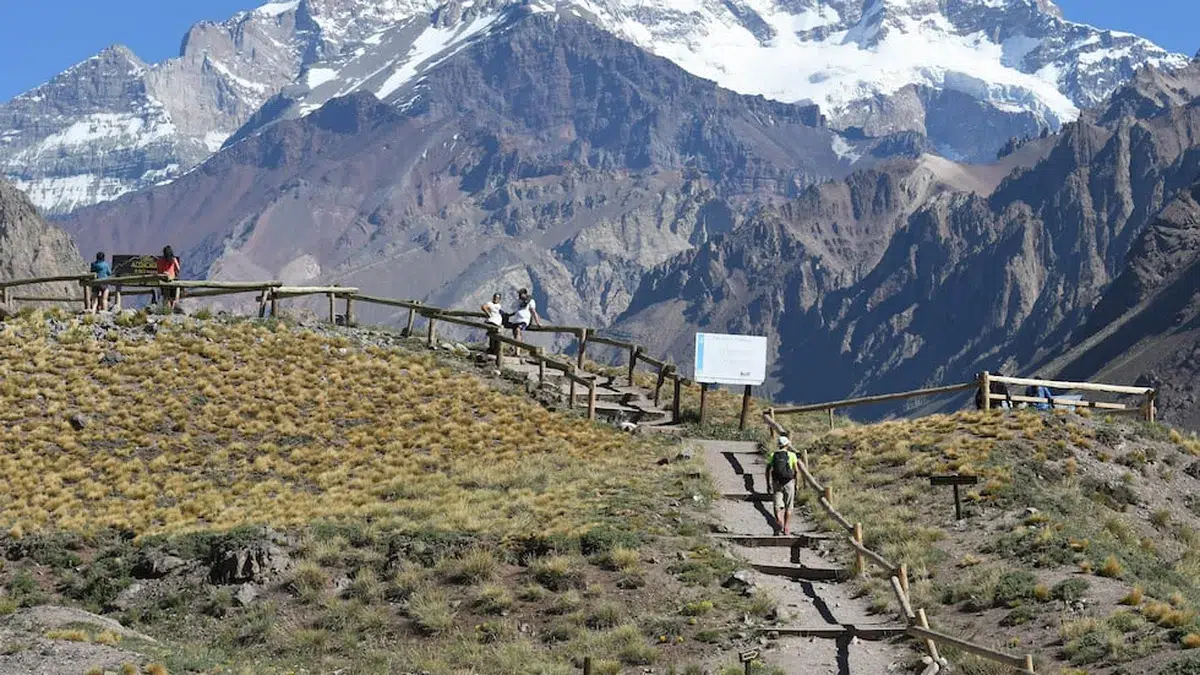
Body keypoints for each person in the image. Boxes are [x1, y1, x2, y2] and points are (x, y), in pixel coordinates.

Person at [765, 436, 799, 536]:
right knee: (789, 506)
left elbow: (768, 470)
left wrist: (768, 483)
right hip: (788, 483)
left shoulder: (773, 455)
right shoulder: (792, 455)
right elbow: (796, 471)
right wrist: (796, 483)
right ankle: (786, 527)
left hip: (776, 483)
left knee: (777, 505)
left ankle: (779, 522)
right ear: (787, 445)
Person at [156, 246, 181, 310]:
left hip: (163, 280)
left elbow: (159, 270)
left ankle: (166, 309)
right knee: (173, 296)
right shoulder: (173, 259)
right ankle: (172, 308)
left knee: (165, 296)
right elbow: (178, 269)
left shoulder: (160, 260)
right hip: (172, 279)